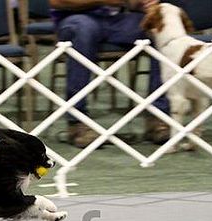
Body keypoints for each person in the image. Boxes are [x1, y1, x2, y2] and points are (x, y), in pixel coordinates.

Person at [49, 0, 171, 148]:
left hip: (117, 20)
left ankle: (158, 117)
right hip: (76, 18)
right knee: (82, 28)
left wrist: (140, 4)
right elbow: (56, 2)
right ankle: (77, 123)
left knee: (159, 26)